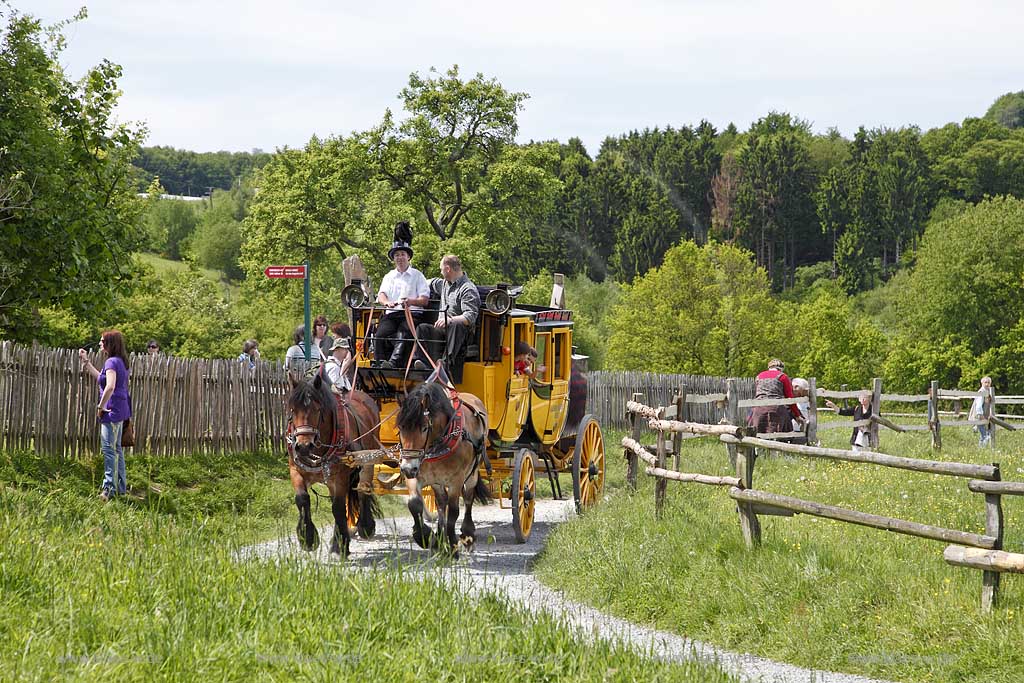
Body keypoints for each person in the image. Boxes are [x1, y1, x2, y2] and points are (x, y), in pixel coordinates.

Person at [78, 330, 132, 502]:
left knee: (109, 451)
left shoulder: (111, 362)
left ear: (110, 344)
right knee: (117, 450)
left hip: (111, 411)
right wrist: (86, 362)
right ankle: (121, 490)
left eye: (102, 341)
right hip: (120, 409)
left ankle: (108, 490)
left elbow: (109, 387)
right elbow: (101, 378)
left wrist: (100, 406)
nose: (100, 343)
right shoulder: (119, 362)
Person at [411, 254, 480, 379]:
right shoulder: (443, 284)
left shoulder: (468, 289)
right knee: (422, 328)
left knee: (456, 325)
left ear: (448, 269)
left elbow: (470, 317)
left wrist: (450, 320)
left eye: (441, 269)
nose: (441, 272)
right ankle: (423, 363)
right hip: (442, 330)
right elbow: (426, 282)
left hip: (461, 333)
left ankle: (445, 363)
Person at [374, 223, 430, 369]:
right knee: (379, 334)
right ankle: (380, 365)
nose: (400, 258)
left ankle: (392, 364)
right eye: (397, 255)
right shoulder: (389, 276)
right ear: (393, 258)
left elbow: (424, 300)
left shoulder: (418, 276)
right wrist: (386, 303)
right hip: (392, 314)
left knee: (403, 332)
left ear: (408, 257)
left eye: (402, 255)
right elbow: (381, 295)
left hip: (411, 314)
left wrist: (410, 302)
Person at [748, 358, 803, 433]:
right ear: (781, 369)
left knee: (757, 434)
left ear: (769, 368)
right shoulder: (783, 376)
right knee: (785, 434)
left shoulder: (759, 376)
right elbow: (790, 398)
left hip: (759, 408)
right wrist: (797, 415)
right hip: (776, 409)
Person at [969, 376, 993, 447]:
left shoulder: (988, 392)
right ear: (982, 383)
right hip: (979, 417)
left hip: (985, 417)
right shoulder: (981, 392)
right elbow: (978, 406)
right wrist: (981, 416)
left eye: (988, 382)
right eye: (985, 382)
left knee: (986, 434)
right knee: (985, 435)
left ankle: (981, 449)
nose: (987, 384)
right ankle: (982, 449)